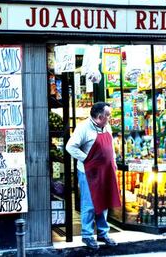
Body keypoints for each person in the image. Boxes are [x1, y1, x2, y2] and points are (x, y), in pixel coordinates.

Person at [66, 102, 121, 249]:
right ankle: (87, 235)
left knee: (104, 202)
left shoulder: (106, 126)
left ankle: (103, 233)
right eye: (108, 115)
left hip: (106, 171)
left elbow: (110, 148)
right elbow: (70, 146)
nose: (110, 117)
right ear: (99, 116)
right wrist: (87, 159)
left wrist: (113, 162)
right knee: (89, 204)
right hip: (88, 172)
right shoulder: (83, 128)